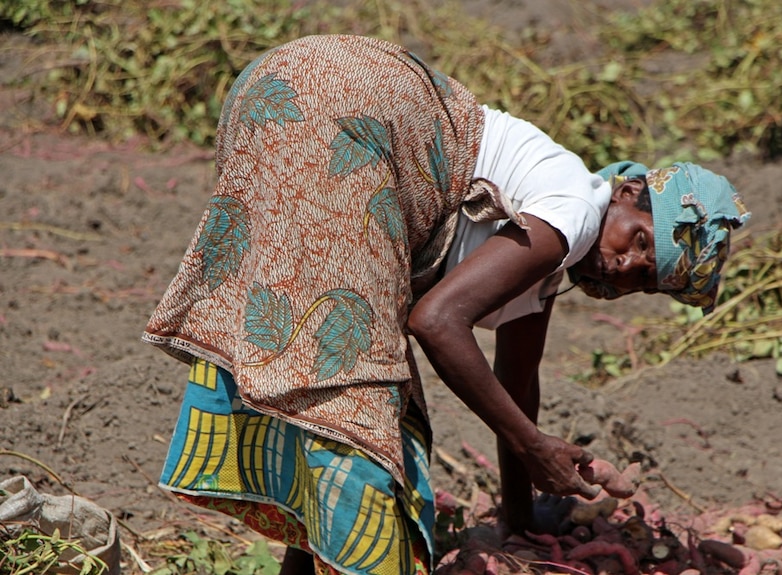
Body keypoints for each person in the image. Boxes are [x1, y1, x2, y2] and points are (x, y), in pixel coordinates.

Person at [143, 34, 750, 575]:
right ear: (627, 191)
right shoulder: (574, 210)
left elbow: (518, 389)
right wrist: (537, 449)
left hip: (278, 84)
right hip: (350, 111)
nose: (621, 265)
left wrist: (523, 516)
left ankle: (307, 558)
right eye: (638, 240)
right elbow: (435, 322)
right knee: (361, 384)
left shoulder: (549, 248)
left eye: (641, 277)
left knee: (315, 354)